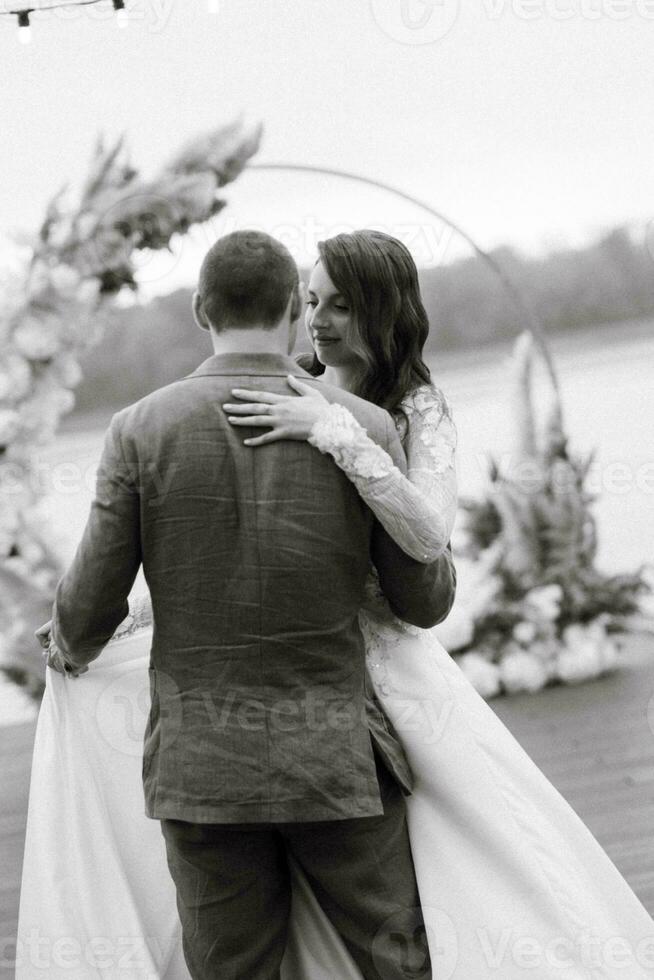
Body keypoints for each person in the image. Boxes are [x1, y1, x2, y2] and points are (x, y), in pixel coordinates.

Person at [19, 230, 457, 980]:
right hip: (336, 759)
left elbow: (91, 604)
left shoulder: (138, 429)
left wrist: (71, 642)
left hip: (204, 769)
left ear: (199, 310)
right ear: (293, 310)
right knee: (394, 960)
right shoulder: (366, 425)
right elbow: (422, 601)